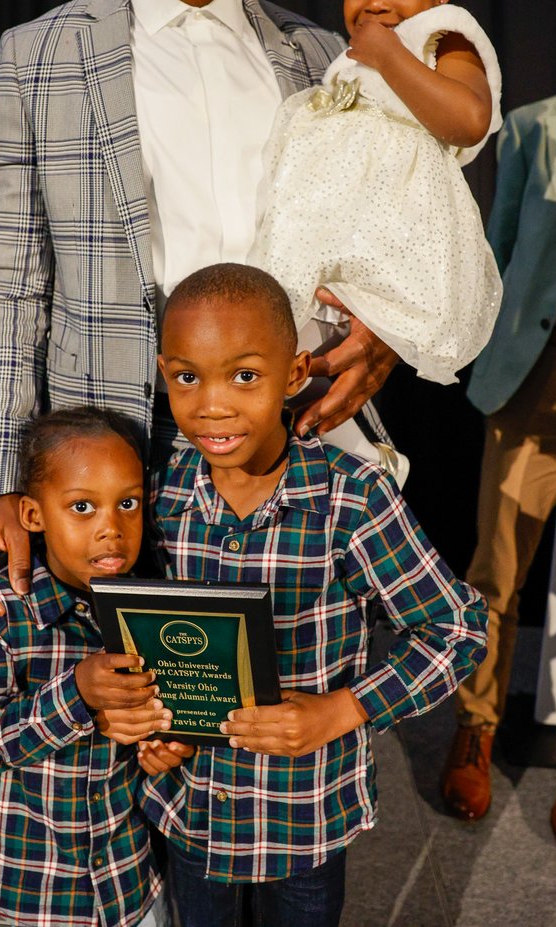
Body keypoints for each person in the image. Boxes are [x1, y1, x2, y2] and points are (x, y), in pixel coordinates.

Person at [0, 0, 401, 646]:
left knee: (276, 742)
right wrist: (1, 486)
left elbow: (387, 245)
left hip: (294, 454)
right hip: (116, 466)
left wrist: (385, 330)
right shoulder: (38, 56)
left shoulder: (327, 61)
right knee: (125, 736)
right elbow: (5, 289)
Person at [139, 262, 487, 926]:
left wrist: (341, 710)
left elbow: (457, 628)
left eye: (244, 375)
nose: (212, 403)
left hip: (302, 818)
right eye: (188, 376)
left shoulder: (350, 498)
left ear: (295, 374)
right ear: (164, 371)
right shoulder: (158, 491)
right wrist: (153, 730)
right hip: (190, 810)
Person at [253, 0, 503, 387]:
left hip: (403, 226)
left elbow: (470, 118)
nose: (378, 2)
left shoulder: (444, 36)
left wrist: (391, 56)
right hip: (333, 214)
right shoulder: (354, 53)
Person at [0, 405, 194, 927]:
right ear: (33, 515)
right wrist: (78, 694)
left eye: (127, 504)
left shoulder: (149, 607)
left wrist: (164, 743)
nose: (111, 529)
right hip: (37, 884)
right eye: (83, 507)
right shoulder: (4, 610)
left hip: (130, 876)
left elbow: (166, 716)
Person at [440, 92, 556, 841]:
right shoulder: (531, 126)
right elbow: (499, 247)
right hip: (536, 370)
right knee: (497, 566)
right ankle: (474, 724)